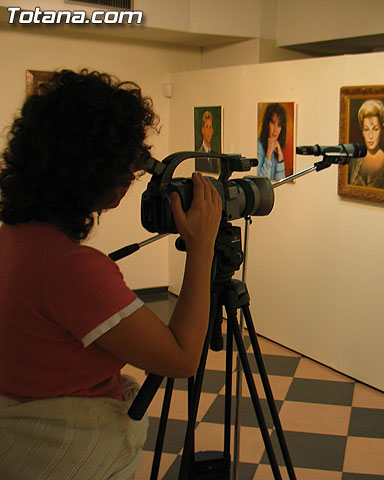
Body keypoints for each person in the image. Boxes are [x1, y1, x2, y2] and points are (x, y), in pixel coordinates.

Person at [0, 70, 222, 479]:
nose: (131, 175)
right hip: (68, 455)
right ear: (93, 168)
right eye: (126, 163)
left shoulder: (13, 238)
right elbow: (181, 357)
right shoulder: (72, 268)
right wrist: (202, 248)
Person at [349, 99, 384, 190]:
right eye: (366, 129)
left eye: (375, 129)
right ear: (362, 132)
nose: (370, 136)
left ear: (382, 130)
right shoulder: (355, 160)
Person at [257, 103, 287, 180]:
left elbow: (281, 183)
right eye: (273, 123)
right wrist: (268, 154)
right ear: (267, 124)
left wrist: (280, 159)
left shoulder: (278, 148)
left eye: (279, 125)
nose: (275, 129)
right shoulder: (258, 145)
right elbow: (260, 182)